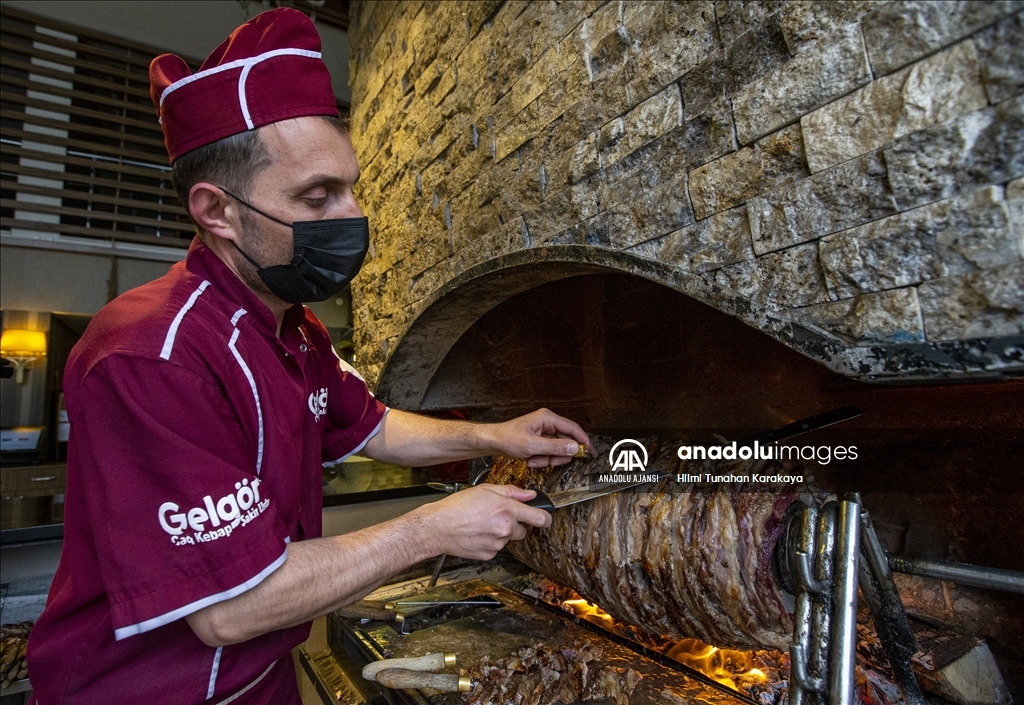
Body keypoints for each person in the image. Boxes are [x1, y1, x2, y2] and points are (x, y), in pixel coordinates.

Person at [26, 9, 591, 704]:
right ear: (218, 211)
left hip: (265, 679)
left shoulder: (294, 329)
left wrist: (492, 433)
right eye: (317, 197)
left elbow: (372, 424)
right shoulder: (149, 355)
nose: (351, 217)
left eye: (351, 188)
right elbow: (232, 606)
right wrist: (432, 527)